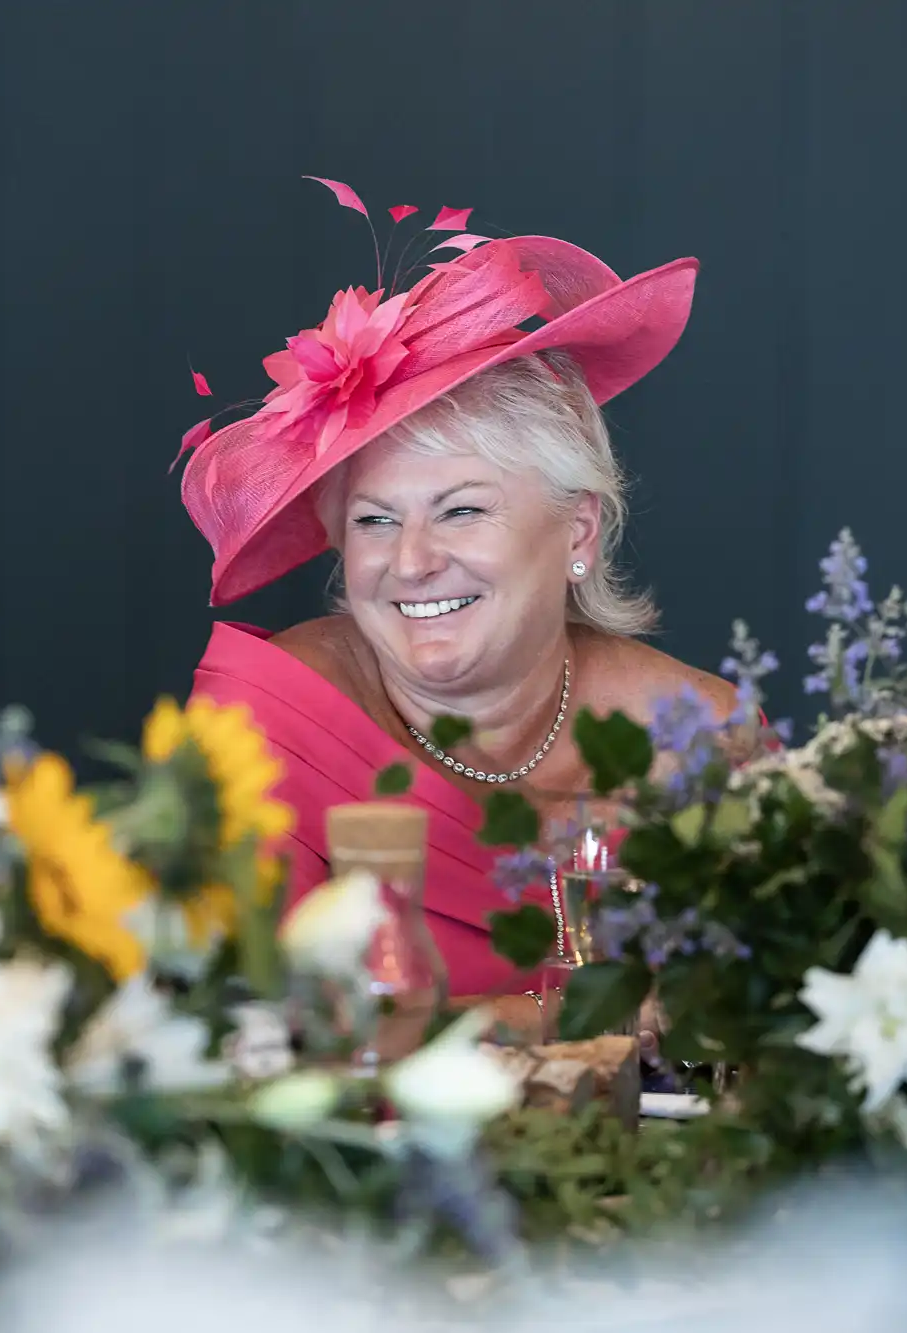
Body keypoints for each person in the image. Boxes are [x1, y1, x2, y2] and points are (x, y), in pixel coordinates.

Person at [178, 202, 735, 1000]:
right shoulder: (264, 727)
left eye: (462, 509)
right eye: (374, 520)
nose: (410, 561)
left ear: (579, 530)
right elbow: (232, 1044)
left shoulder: (698, 735)